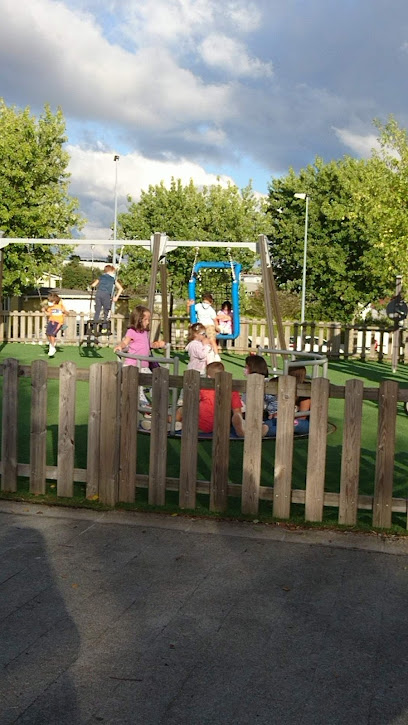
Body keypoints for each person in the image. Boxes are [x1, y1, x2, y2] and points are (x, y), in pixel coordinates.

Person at [175, 361, 245, 437]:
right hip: (222, 426)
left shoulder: (204, 388)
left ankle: (174, 421)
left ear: (208, 376)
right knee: (235, 413)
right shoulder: (233, 389)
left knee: (182, 410)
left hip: (201, 426)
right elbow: (237, 411)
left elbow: (192, 403)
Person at [114, 305, 165, 407]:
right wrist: (120, 346)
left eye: (148, 319)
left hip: (144, 366)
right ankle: (144, 405)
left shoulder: (145, 333)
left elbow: (147, 344)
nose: (148, 322)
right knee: (138, 389)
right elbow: (125, 342)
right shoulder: (132, 331)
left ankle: (155, 402)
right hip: (133, 365)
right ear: (138, 319)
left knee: (156, 381)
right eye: (145, 319)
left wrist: (157, 344)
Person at [262, 366, 311, 437]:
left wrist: (285, 416)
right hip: (287, 417)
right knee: (271, 422)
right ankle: (260, 428)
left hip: (302, 422)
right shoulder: (286, 386)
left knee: (293, 424)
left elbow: (302, 416)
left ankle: (265, 432)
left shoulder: (304, 390)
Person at [242, 354, 278, 419]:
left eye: (246, 367)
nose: (244, 369)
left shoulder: (267, 384)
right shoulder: (249, 383)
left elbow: (272, 403)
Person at [187, 292, 220, 359]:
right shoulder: (198, 306)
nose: (205, 304)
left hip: (209, 325)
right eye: (204, 302)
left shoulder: (211, 310)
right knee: (194, 334)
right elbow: (189, 312)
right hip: (200, 325)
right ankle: (191, 346)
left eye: (207, 303)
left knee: (212, 339)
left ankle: (216, 355)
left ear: (210, 303)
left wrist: (217, 327)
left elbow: (215, 320)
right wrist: (188, 305)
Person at [44, 292, 67, 357]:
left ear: (55, 300)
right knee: (48, 333)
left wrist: (64, 311)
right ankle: (51, 344)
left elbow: (67, 313)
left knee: (52, 334)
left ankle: (52, 348)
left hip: (58, 322)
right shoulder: (50, 307)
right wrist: (44, 311)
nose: (50, 302)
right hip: (51, 321)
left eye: (51, 301)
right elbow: (49, 314)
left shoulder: (60, 306)